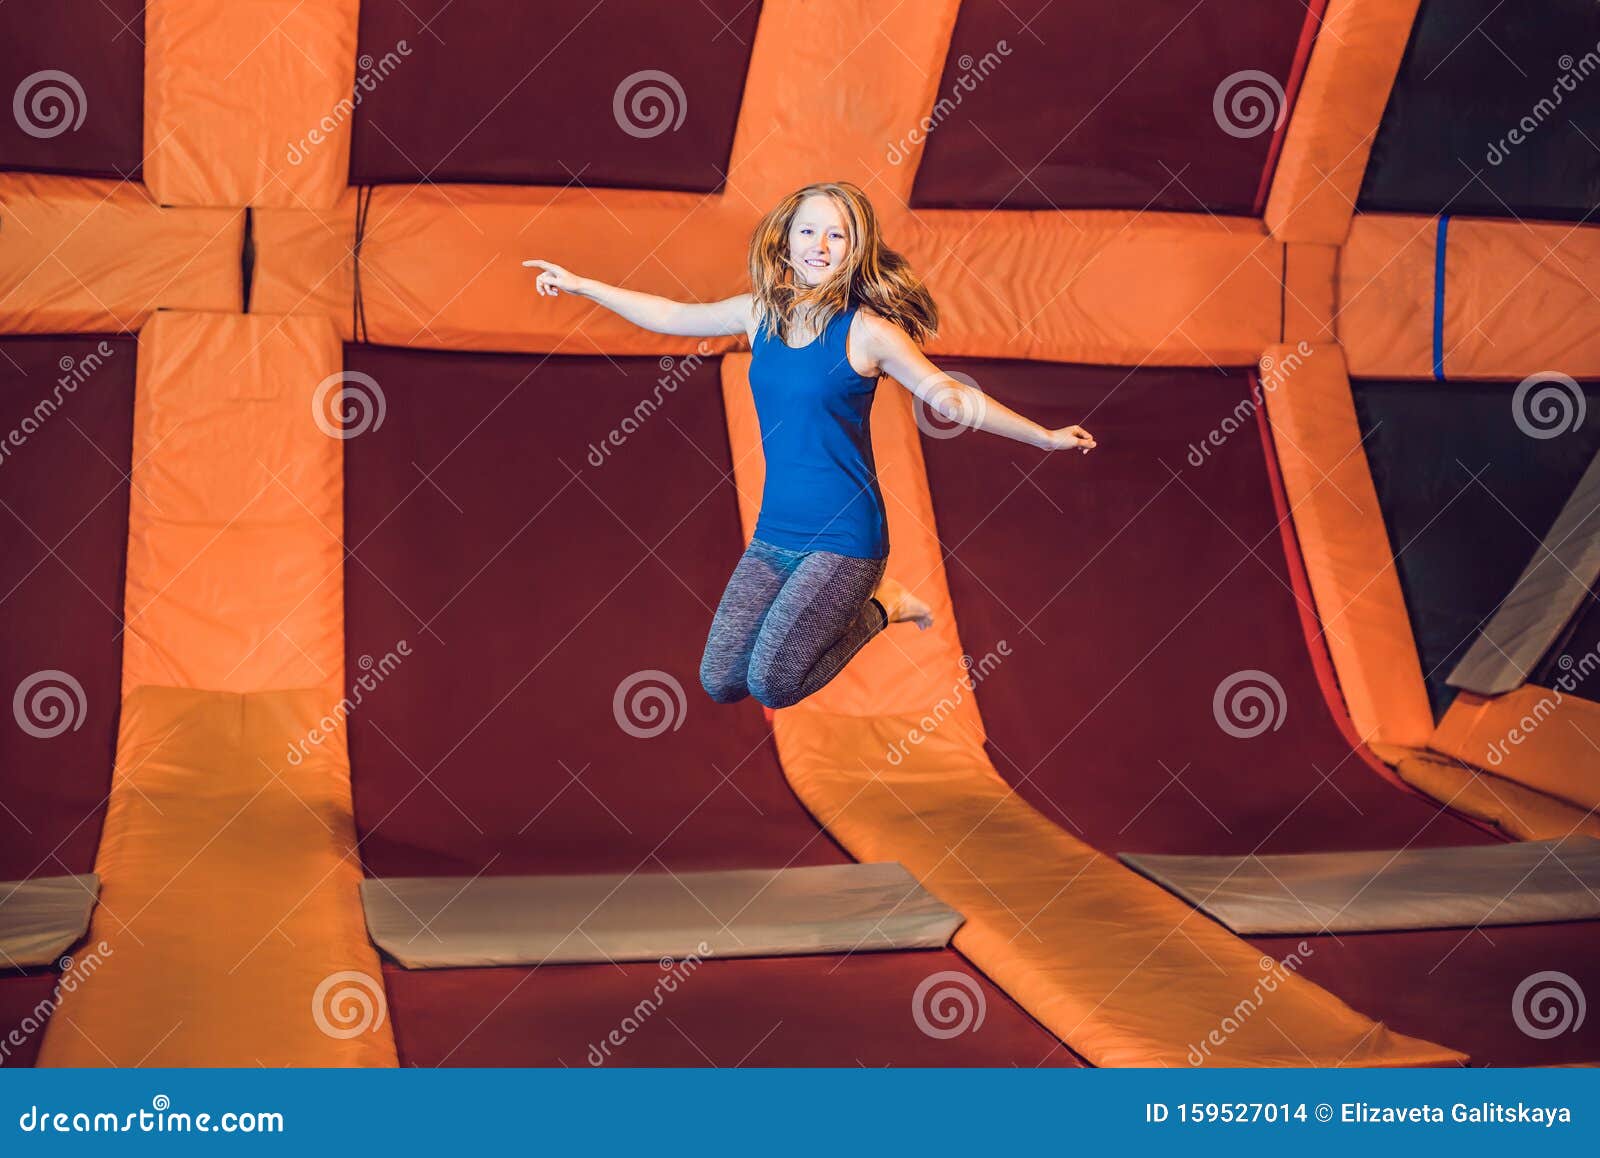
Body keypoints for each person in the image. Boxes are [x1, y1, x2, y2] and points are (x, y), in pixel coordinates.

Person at [524, 180, 1095, 710]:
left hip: (846, 540)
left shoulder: (868, 331)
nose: (819, 245)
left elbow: (949, 396)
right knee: (721, 680)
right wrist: (581, 285)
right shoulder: (760, 312)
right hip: (777, 532)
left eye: (836, 234)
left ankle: (883, 606)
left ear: (856, 248)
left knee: (773, 683)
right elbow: (673, 315)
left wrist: (1042, 437)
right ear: (787, 239)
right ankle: (869, 606)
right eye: (807, 230)